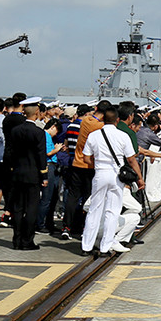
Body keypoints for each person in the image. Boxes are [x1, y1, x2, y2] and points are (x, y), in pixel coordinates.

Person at [81, 106, 144, 256]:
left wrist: (98, 164)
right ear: (117, 120)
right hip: (116, 176)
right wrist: (140, 178)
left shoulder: (94, 135)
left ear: (103, 119)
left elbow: (86, 158)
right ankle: (105, 248)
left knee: (94, 211)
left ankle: (86, 247)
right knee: (112, 211)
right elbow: (131, 159)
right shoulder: (123, 136)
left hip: (100, 174)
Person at [4, 97, 48, 250]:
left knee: (17, 208)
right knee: (31, 209)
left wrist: (11, 169)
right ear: (37, 112)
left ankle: (16, 240)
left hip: (17, 173)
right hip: (33, 175)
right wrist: (44, 175)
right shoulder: (38, 132)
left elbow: (10, 151)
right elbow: (41, 155)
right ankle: (27, 241)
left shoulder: (15, 131)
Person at [62, 101, 107, 240]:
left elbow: (91, 115)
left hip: (76, 163)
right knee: (89, 199)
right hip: (90, 166)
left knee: (72, 196)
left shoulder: (86, 120)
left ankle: (66, 227)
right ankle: (83, 227)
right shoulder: (101, 126)